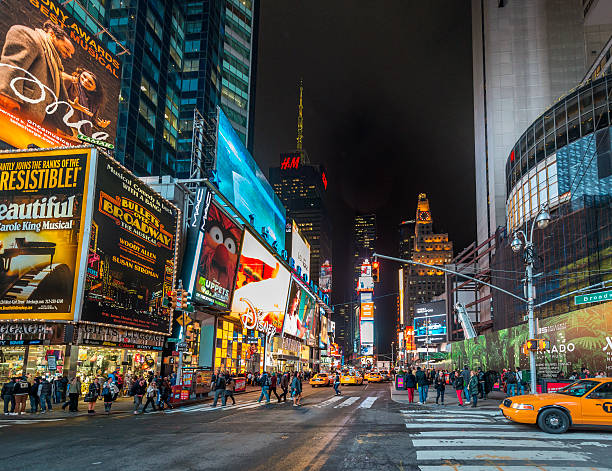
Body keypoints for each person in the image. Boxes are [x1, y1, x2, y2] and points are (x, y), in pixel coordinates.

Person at [0, 20, 75, 128]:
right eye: (67, 49)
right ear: (52, 34)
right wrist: (7, 96)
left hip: (30, 125)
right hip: (12, 116)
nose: (68, 55)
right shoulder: (30, 37)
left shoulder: (55, 63)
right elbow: (13, 66)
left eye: (70, 54)